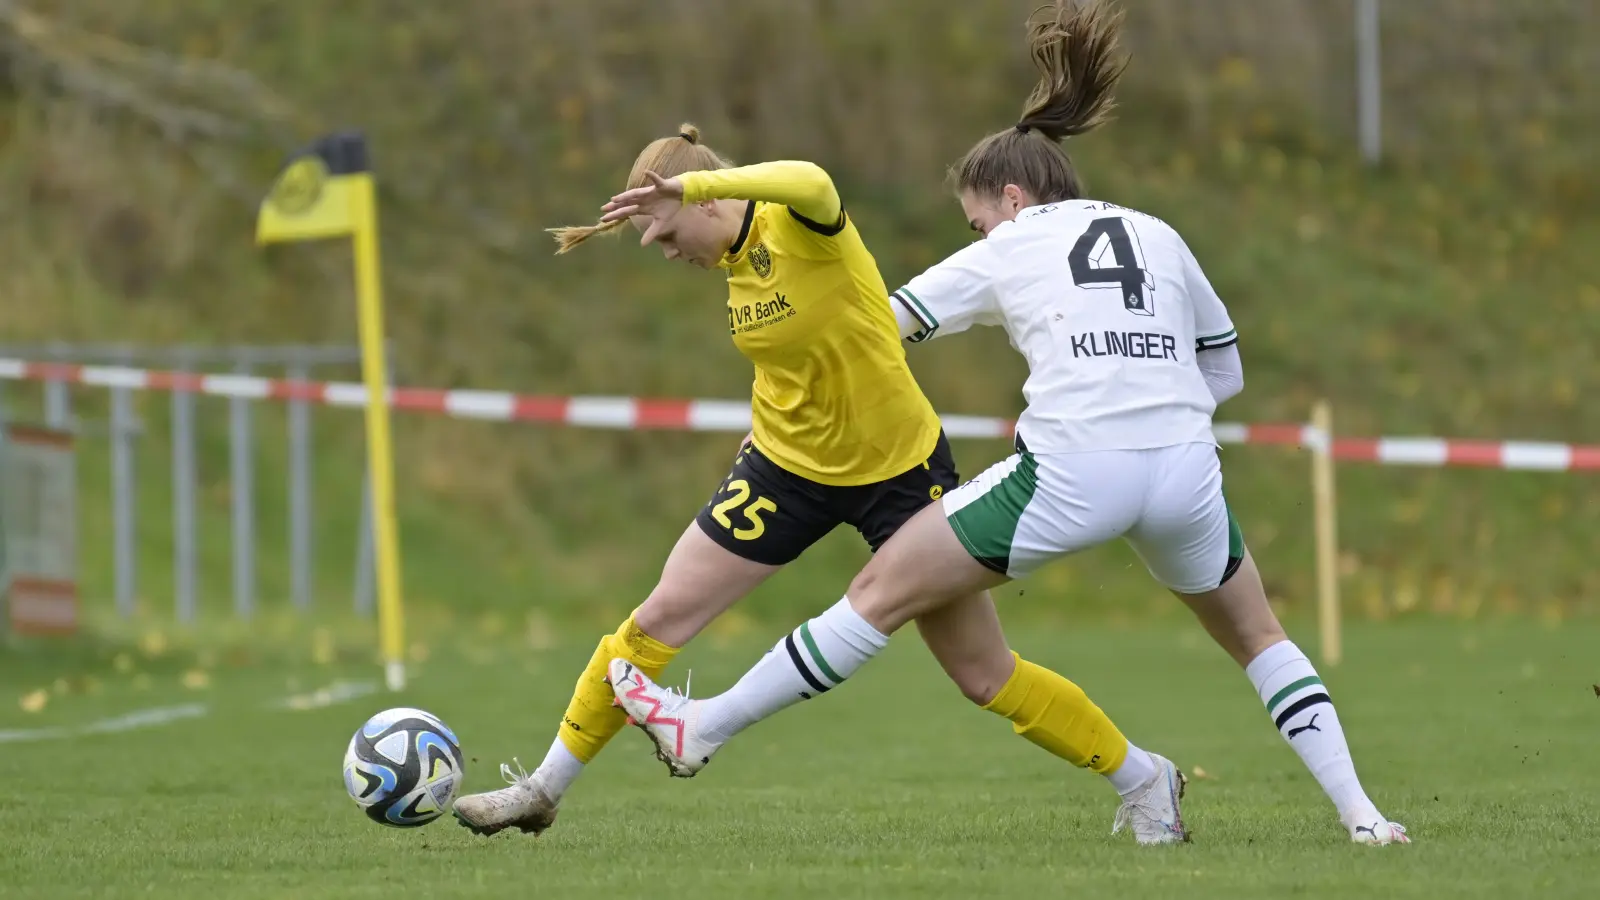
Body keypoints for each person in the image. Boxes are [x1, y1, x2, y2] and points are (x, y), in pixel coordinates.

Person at [610, 0, 1409, 846]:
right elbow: (1225, 366)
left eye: (975, 218)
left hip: (1071, 474)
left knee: (877, 593)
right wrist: (1155, 411)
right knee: (1258, 636)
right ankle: (1363, 818)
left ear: (1014, 197)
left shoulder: (1012, 244)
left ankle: (705, 729)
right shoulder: (1160, 234)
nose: (977, 232)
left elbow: (888, 323)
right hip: (1185, 469)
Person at [452, 122, 1186, 844]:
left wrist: (698, 179)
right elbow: (794, 347)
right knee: (654, 622)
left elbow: (814, 177)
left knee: (982, 673)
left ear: (708, 199)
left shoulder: (798, 220)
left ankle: (1142, 776)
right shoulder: (729, 260)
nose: (662, 249)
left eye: (669, 232)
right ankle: (541, 790)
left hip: (899, 471)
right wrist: (764, 415)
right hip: (786, 468)